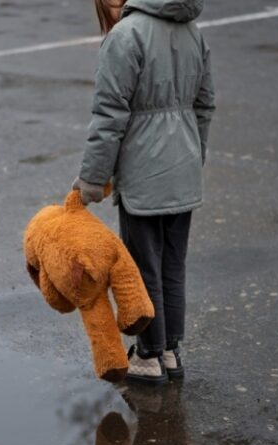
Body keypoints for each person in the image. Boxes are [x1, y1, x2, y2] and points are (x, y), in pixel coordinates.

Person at [74, 0, 215, 384]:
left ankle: (149, 353)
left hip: (143, 173)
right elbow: (204, 104)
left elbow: (109, 113)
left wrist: (92, 178)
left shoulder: (125, 35)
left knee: (142, 267)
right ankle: (170, 349)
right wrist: (192, 156)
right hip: (182, 170)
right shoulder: (192, 30)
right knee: (172, 265)